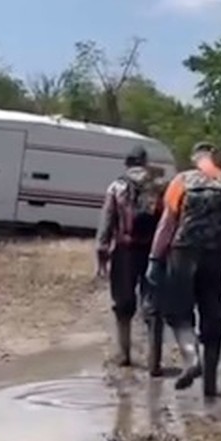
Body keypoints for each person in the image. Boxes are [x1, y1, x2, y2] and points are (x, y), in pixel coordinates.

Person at [146, 141, 221, 397]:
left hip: (183, 253)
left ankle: (191, 358)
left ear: (195, 159)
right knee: (213, 315)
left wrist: (155, 259)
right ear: (215, 158)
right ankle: (210, 387)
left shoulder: (182, 181)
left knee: (178, 313)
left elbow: (167, 223)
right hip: (218, 255)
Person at [95, 145, 164, 368]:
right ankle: (155, 362)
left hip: (124, 252)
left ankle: (124, 355)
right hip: (152, 252)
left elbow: (107, 221)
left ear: (127, 163)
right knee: (153, 306)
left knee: (123, 305)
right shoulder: (158, 187)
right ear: (145, 162)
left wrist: (102, 252)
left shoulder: (117, 186)